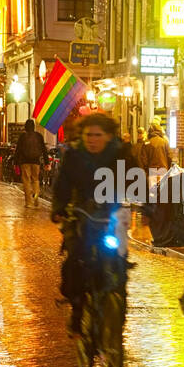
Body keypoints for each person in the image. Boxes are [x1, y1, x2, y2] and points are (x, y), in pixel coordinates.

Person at [50, 113, 135, 334]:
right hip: (82, 213)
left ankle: (117, 312)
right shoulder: (74, 156)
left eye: (98, 135)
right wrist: (59, 208)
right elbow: (63, 185)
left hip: (111, 214)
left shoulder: (121, 155)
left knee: (119, 262)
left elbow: (136, 180)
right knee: (76, 259)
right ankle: (77, 310)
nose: (92, 140)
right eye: (88, 135)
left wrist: (145, 206)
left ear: (108, 136)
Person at [14, 118, 47, 208]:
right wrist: (46, 162)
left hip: (25, 162)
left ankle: (28, 202)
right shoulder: (39, 136)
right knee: (35, 180)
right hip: (36, 161)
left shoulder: (22, 137)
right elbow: (44, 149)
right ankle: (36, 196)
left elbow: (18, 150)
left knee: (26, 181)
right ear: (34, 127)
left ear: (25, 127)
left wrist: (15, 162)